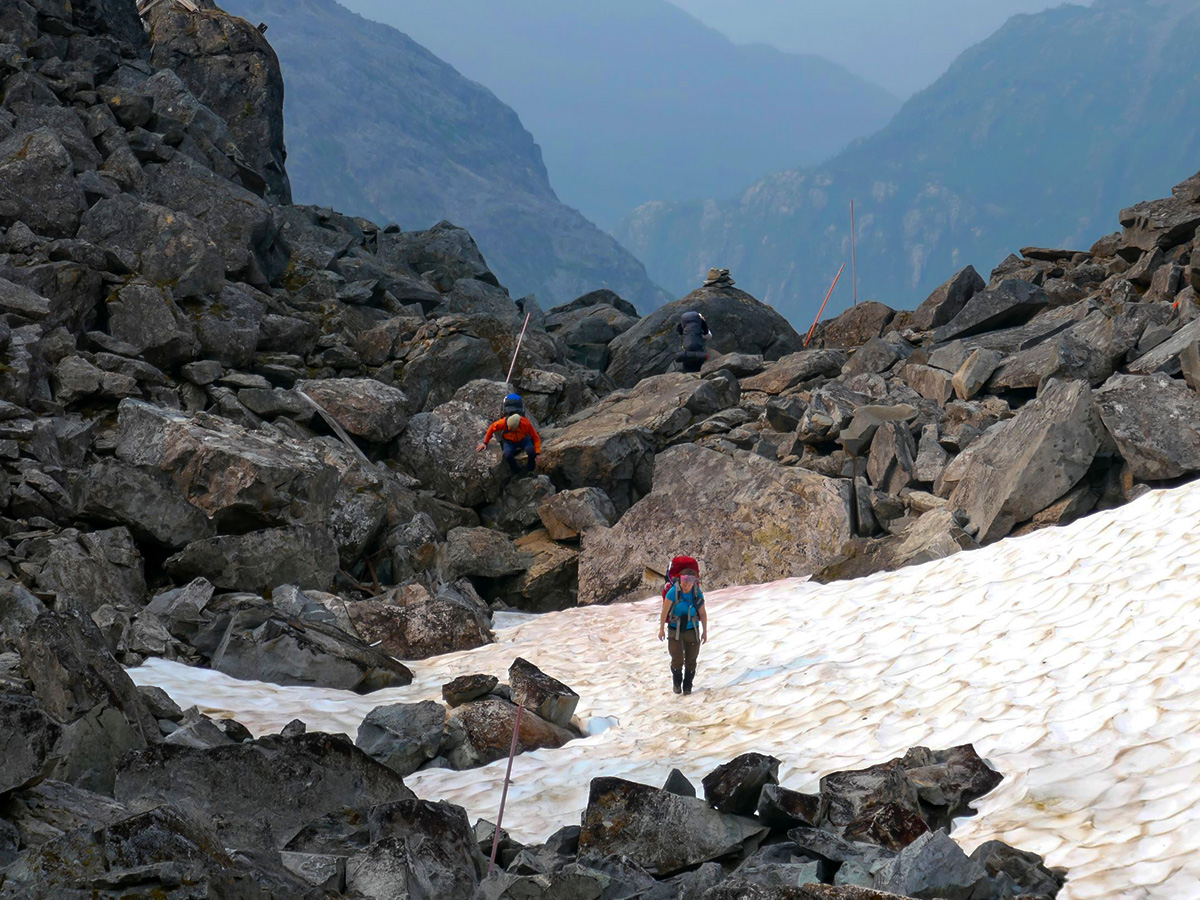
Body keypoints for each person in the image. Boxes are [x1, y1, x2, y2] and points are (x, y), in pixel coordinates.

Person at [657, 556, 708, 695]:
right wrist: (661, 629)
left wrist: (705, 631)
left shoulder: (697, 593)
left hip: (693, 630)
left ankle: (687, 686)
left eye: (690, 581)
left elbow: (703, 613)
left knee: (691, 660)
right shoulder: (674, 591)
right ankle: (677, 682)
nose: (687, 584)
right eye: (685, 580)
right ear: (680, 579)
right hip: (675, 629)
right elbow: (665, 610)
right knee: (677, 659)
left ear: (694, 581)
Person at [477, 411, 542, 475]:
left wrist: (538, 453)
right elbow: (491, 428)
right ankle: (517, 472)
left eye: (511, 428)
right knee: (508, 455)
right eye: (508, 427)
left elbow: (535, 437)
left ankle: (530, 470)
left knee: (531, 452)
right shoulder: (502, 423)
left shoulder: (526, 424)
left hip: (524, 439)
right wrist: (485, 443)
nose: (509, 428)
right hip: (509, 442)